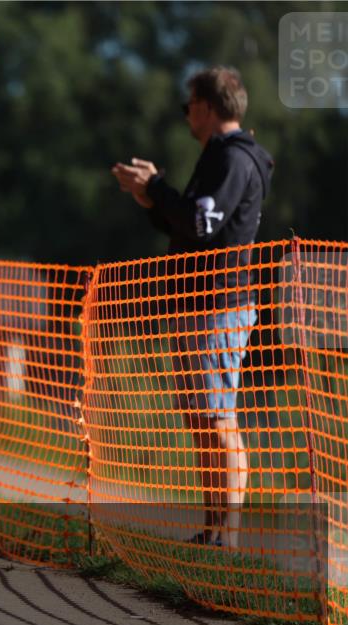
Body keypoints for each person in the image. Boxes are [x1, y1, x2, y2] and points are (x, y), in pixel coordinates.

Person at [112, 66, 274, 548]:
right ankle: (214, 527)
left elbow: (200, 222)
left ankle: (229, 534)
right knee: (203, 416)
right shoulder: (220, 157)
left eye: (189, 106)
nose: (186, 116)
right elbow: (189, 226)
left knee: (217, 417)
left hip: (218, 304)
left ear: (206, 106)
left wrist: (156, 186)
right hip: (199, 302)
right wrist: (150, 198)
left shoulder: (234, 159)